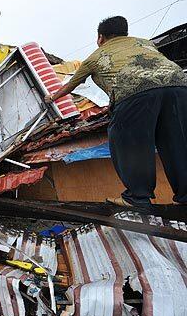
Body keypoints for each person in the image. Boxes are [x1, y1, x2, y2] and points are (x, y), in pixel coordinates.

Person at [45, 16, 187, 209]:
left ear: (100, 37)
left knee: (128, 140)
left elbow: (70, 85)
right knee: (177, 140)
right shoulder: (145, 44)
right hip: (179, 87)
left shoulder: (96, 56)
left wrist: (51, 98)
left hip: (134, 92)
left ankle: (138, 197)